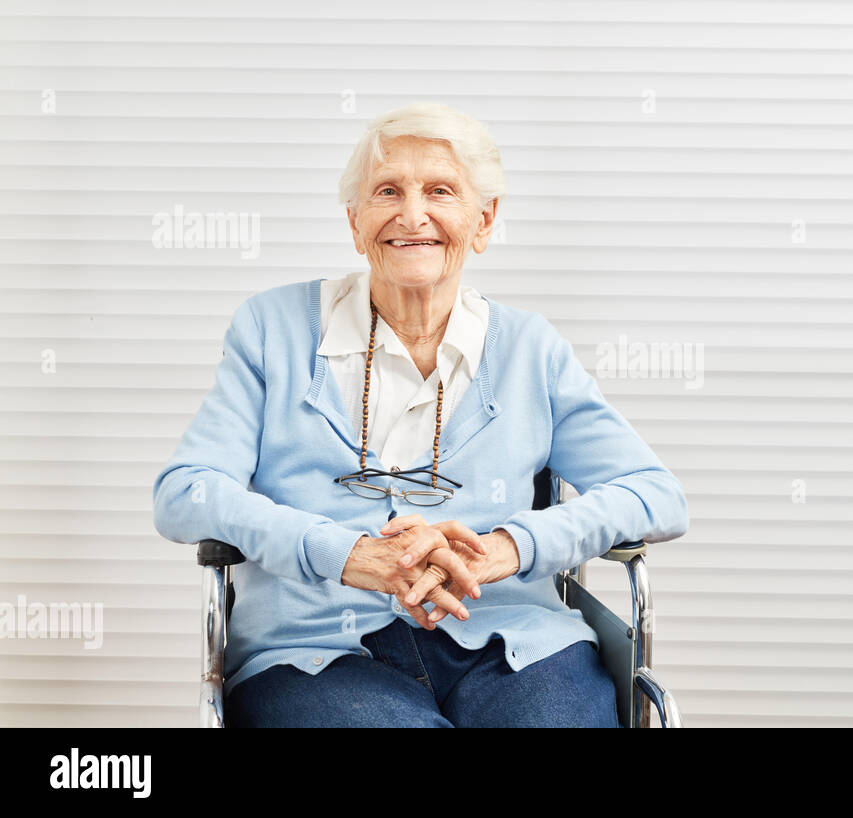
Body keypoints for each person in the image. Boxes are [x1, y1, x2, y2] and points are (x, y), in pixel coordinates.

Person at [152, 102, 689, 727]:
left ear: (483, 221)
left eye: (441, 191)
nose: (413, 216)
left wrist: (506, 547)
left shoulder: (529, 349)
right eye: (387, 192)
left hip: (511, 639)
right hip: (315, 650)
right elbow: (186, 492)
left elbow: (657, 495)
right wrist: (342, 551)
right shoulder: (271, 330)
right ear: (355, 223)